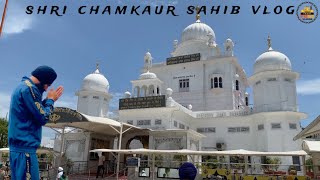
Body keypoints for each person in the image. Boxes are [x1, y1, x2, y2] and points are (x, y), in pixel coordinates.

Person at [8, 66, 64, 180]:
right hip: (25, 152)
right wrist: (50, 101)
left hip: (18, 151)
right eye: (47, 85)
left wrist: (46, 101)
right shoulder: (30, 90)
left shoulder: (22, 87)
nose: (46, 89)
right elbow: (43, 117)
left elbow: (34, 111)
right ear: (43, 81)